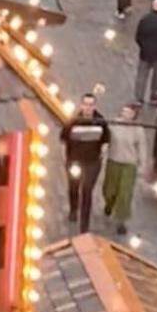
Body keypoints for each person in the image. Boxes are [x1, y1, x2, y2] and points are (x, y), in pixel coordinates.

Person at [60, 92, 110, 230]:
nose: (88, 107)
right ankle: (73, 209)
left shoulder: (100, 121)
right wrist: (64, 157)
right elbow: (63, 139)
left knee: (87, 189)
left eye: (91, 105)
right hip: (74, 161)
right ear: (81, 105)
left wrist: (104, 150)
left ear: (94, 106)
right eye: (85, 104)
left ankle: (84, 223)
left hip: (92, 161)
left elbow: (106, 139)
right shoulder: (72, 120)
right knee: (74, 186)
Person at [103, 101, 145, 233]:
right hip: (113, 161)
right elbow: (106, 140)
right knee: (109, 190)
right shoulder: (114, 125)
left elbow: (142, 148)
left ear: (134, 115)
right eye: (123, 111)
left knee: (125, 194)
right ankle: (109, 204)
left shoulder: (138, 130)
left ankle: (121, 220)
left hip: (129, 164)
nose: (125, 114)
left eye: (128, 113)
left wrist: (142, 166)